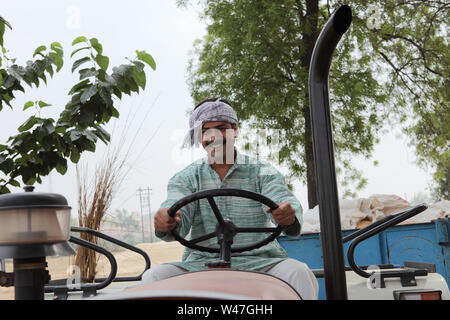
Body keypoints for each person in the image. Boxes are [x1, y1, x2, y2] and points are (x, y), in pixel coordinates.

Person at [141, 98, 318, 299]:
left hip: (261, 263)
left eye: (221, 128)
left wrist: (287, 214)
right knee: (154, 277)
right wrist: (167, 220)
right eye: (205, 131)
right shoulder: (186, 178)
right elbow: (176, 211)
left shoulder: (264, 172)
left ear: (235, 130)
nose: (213, 137)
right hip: (200, 264)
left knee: (298, 272)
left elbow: (282, 200)